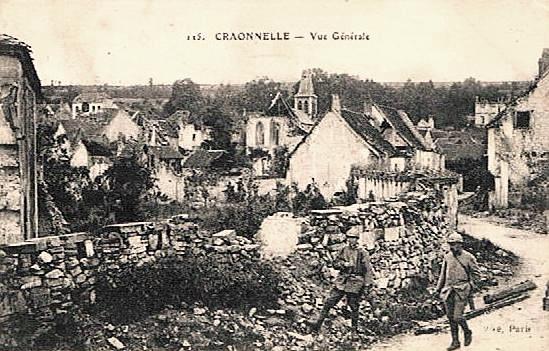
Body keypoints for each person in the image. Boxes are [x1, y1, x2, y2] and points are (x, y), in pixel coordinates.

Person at [308, 227, 375, 333]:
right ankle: (318, 324)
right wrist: (344, 264)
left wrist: (367, 285)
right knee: (329, 302)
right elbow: (335, 264)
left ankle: (354, 330)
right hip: (342, 280)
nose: (351, 240)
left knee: (353, 305)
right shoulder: (343, 250)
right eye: (349, 238)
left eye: (353, 238)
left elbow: (368, 270)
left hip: (356, 281)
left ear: (357, 239)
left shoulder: (362, 252)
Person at [435, 232, 480, 350]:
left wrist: (471, 287)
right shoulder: (447, 257)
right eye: (450, 244)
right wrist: (438, 289)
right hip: (448, 290)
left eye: (454, 244)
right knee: (450, 317)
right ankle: (455, 342)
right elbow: (443, 275)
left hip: (462, 290)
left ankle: (467, 331)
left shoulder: (469, 257)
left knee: (458, 317)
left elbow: (476, 275)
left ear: (460, 244)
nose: (452, 247)